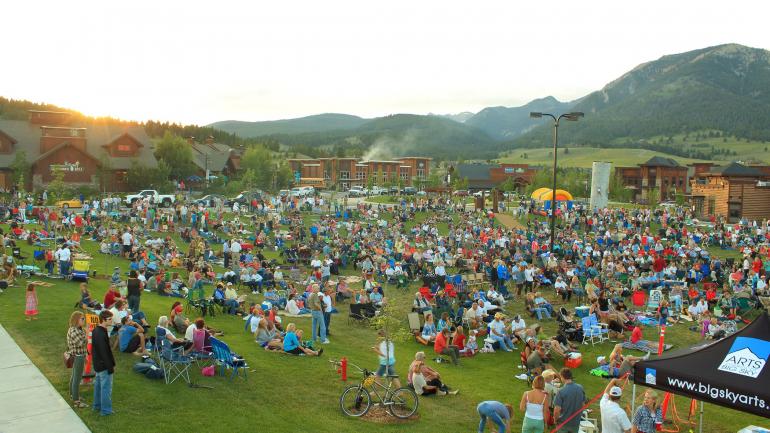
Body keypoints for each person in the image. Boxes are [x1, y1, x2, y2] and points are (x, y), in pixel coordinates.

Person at [92, 310, 115, 416]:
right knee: (105, 388)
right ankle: (105, 410)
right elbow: (104, 351)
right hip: (103, 365)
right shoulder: (101, 332)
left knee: (98, 386)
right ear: (103, 320)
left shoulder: (97, 330)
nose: (112, 320)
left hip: (98, 364)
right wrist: (110, 366)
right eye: (110, 319)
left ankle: (96, 406)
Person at [66, 311, 89, 408]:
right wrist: (87, 334)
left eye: (84, 318)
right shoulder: (74, 331)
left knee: (74, 376)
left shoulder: (79, 329)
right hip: (77, 357)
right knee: (77, 378)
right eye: (82, 319)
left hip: (80, 355)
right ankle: (76, 401)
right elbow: (81, 343)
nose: (84, 320)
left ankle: (73, 395)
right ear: (76, 320)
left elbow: (84, 343)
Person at [553, 368, 586, 433]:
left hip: (563, 423)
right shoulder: (580, 388)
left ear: (562, 377)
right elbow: (583, 404)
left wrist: (555, 420)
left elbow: (557, 410)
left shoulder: (561, 391)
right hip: (576, 422)